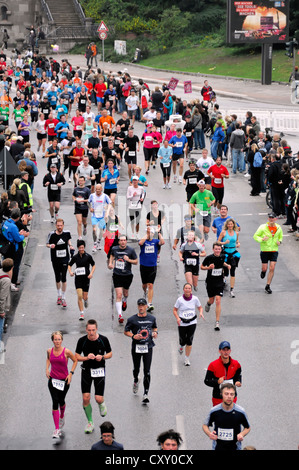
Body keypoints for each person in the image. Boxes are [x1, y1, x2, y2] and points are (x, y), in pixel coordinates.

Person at [75, 319, 112, 434]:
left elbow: (110, 354)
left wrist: (103, 357)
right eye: (89, 330)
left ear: (96, 329)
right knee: (86, 398)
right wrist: (86, 357)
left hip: (99, 371)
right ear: (86, 329)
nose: (91, 332)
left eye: (93, 330)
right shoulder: (82, 341)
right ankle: (90, 422)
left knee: (98, 398)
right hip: (86, 371)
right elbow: (76, 356)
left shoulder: (103, 339)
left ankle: (101, 403)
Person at [124, 298, 158, 405]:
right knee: (136, 369)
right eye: (139, 305)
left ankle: (145, 394)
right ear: (138, 306)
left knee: (147, 371)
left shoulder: (152, 318)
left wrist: (155, 333)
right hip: (136, 348)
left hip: (148, 347)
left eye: (143, 305)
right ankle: (135, 380)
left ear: (146, 306)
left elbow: (155, 328)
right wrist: (134, 336)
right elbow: (126, 331)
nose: (141, 307)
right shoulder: (132, 319)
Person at [46, 331, 77, 441]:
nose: (57, 341)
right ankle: (56, 429)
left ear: (62, 340)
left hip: (64, 381)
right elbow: (49, 359)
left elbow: (75, 361)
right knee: (55, 401)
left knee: (61, 400)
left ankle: (62, 415)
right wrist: (46, 369)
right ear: (53, 340)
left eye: (59, 339)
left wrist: (71, 374)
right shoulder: (49, 351)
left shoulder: (66, 352)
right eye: (55, 339)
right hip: (53, 380)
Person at [202, 383, 250, 451]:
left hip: (235, 448)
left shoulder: (240, 411)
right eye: (226, 394)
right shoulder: (214, 411)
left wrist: (242, 434)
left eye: (232, 394)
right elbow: (205, 425)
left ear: (234, 395)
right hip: (217, 448)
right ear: (221, 394)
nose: (229, 396)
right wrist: (209, 434)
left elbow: (247, 427)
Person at [201, 242, 231, 331]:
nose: (217, 251)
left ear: (220, 250)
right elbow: (201, 267)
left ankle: (217, 322)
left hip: (219, 282)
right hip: (210, 282)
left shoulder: (222, 256)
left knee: (218, 301)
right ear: (213, 249)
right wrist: (208, 268)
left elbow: (222, 263)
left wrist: (227, 265)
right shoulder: (209, 258)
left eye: (219, 249)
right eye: (216, 249)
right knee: (212, 300)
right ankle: (208, 303)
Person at [173, 282, 204, 366]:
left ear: (191, 290)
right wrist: (178, 318)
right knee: (183, 340)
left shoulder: (195, 299)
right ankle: (181, 346)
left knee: (189, 340)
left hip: (192, 322)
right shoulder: (180, 300)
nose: (187, 290)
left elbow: (200, 307)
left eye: (189, 288)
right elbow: (175, 310)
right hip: (182, 322)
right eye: (186, 288)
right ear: (183, 290)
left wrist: (201, 312)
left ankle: (186, 358)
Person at [109, 235, 138, 323]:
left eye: (124, 240)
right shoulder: (114, 249)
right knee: (118, 294)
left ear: (126, 241)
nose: (122, 242)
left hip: (127, 275)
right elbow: (112, 255)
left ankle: (124, 300)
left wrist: (129, 260)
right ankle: (120, 315)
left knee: (125, 293)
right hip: (117, 274)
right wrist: (110, 263)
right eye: (121, 240)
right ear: (119, 242)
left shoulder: (131, 250)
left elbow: (136, 261)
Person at [204, 341, 242, 406]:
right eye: (223, 350)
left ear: (230, 351)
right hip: (218, 398)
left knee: (231, 415)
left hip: (232, 397)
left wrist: (238, 381)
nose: (226, 352)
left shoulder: (236, 364)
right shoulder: (213, 365)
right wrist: (217, 382)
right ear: (219, 351)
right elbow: (207, 381)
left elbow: (238, 375)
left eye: (227, 350)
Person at [253, 212, 283, 294]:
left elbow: (280, 237)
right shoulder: (263, 227)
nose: (271, 219)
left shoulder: (279, 228)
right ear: (268, 219)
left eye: (272, 218)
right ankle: (263, 272)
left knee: (272, 268)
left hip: (274, 250)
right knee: (265, 268)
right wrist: (262, 239)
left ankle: (268, 285)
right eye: (270, 218)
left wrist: (279, 242)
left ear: (275, 219)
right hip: (265, 250)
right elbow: (255, 236)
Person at [46, 218, 74, 308]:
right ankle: (59, 295)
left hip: (65, 258)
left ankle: (64, 297)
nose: (59, 227)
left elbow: (68, 240)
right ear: (56, 225)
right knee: (57, 278)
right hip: (55, 259)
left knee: (64, 278)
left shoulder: (67, 233)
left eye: (61, 225)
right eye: (58, 226)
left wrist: (71, 246)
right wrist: (51, 245)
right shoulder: (52, 234)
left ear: (63, 225)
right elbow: (47, 244)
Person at [68, 240, 96, 320]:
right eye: (80, 248)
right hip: (78, 278)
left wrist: (91, 274)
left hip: (86, 279)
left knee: (84, 296)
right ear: (78, 248)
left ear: (84, 247)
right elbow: (69, 265)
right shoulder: (75, 257)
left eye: (82, 247)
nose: (81, 249)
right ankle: (81, 313)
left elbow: (93, 265)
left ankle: (86, 300)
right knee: (79, 296)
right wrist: (70, 272)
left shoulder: (88, 256)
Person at [139, 225, 165, 312]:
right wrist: (147, 235)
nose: (150, 234)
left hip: (152, 266)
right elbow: (140, 243)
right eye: (149, 233)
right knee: (144, 284)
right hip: (143, 265)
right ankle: (145, 291)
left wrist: (158, 232)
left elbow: (162, 242)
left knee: (150, 285)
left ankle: (149, 303)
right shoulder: (143, 240)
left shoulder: (156, 241)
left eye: (152, 233)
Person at [1, 208, 28, 291]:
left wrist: (18, 234)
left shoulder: (6, 222)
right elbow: (18, 239)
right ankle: (12, 283)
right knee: (14, 266)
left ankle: (8, 282)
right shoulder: (13, 226)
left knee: (7, 265)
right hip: (13, 248)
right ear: (18, 217)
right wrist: (23, 235)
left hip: (6, 247)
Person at [217, 218, 241, 298]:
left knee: (233, 271)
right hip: (225, 253)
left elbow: (237, 241)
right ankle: (223, 278)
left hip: (233, 253)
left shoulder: (236, 233)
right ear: (227, 225)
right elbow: (218, 242)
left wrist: (238, 243)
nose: (230, 225)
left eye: (231, 224)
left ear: (233, 225)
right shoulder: (224, 232)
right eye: (229, 224)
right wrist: (224, 243)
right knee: (225, 270)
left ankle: (232, 290)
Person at [88, 184, 111, 252]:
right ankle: (95, 243)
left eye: (99, 189)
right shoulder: (92, 195)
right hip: (94, 215)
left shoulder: (105, 196)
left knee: (101, 231)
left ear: (101, 189)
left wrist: (107, 211)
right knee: (94, 230)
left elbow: (110, 203)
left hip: (102, 216)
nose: (97, 190)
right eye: (96, 189)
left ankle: (98, 242)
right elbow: (88, 202)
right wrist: (90, 208)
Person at [0, 258, 13, 353]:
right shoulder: (6, 280)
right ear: (11, 268)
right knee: (0, 328)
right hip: (0, 308)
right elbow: (2, 297)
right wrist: (1, 311)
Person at [72, 176, 91, 240]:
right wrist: (75, 200)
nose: (80, 182)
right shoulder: (76, 189)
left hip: (85, 208)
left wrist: (82, 200)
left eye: (82, 181)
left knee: (84, 222)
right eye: (79, 181)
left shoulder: (87, 190)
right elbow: (73, 195)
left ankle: (85, 227)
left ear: (84, 181)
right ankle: (80, 236)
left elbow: (89, 199)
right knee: (79, 222)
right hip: (78, 207)